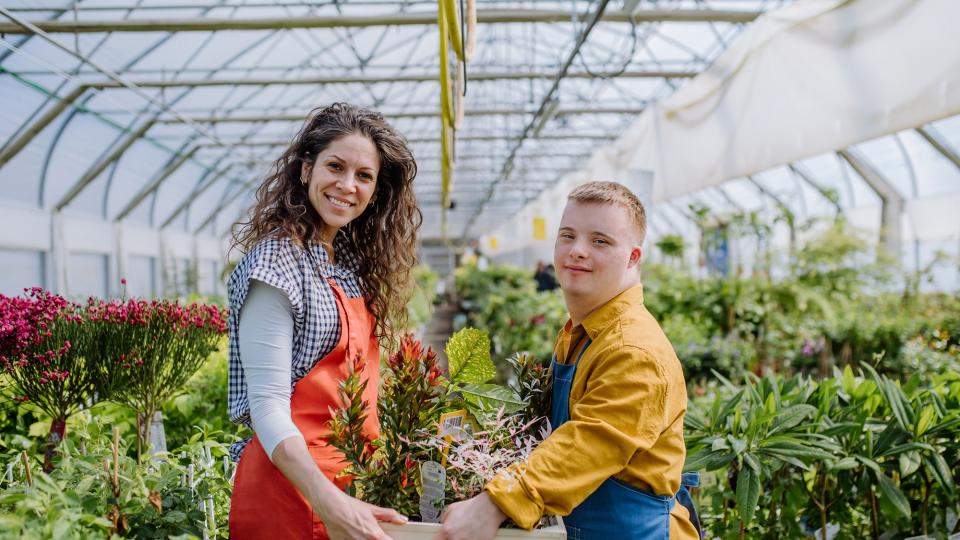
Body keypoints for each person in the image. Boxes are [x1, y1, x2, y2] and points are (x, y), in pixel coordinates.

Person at [437, 181, 700, 540]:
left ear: (633, 257)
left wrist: (495, 503)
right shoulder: (583, 331)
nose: (577, 251)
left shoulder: (633, 351)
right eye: (568, 235)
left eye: (600, 241)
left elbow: (588, 443)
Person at [226, 103, 421, 540]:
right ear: (305, 169)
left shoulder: (346, 263)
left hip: (348, 486)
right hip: (291, 491)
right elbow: (268, 407)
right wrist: (328, 500)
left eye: (364, 176)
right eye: (335, 166)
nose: (347, 185)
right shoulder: (278, 262)